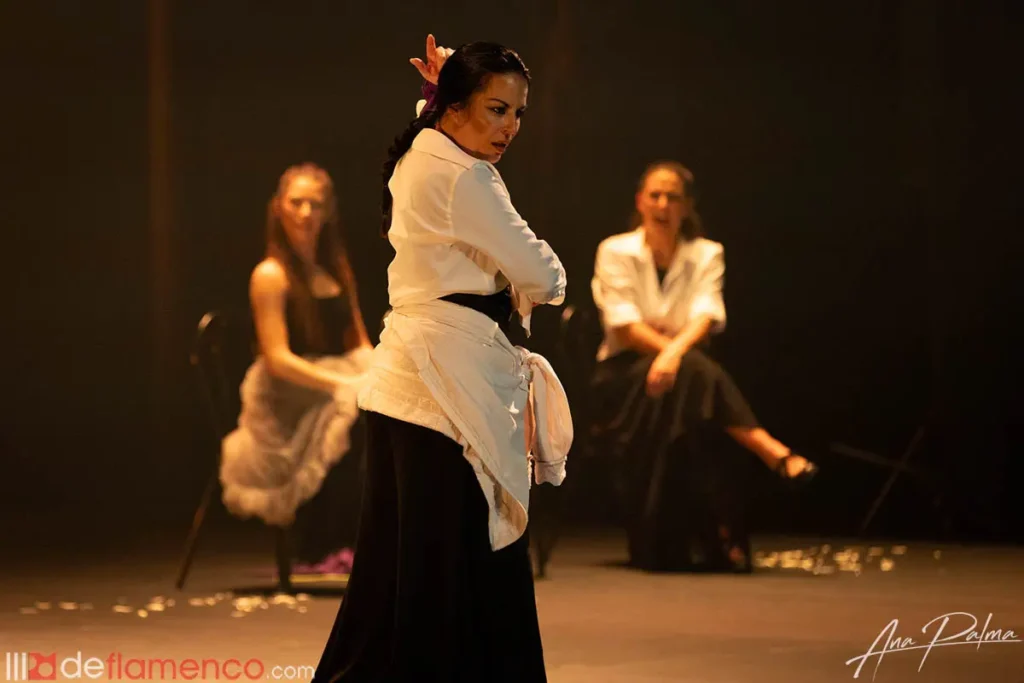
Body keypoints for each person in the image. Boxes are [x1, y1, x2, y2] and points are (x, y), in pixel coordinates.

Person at [312, 36, 570, 682]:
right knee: (452, 563)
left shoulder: (420, 152)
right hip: (449, 385)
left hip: (406, 378)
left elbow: (438, 139)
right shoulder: (466, 177)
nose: (509, 127)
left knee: (401, 566)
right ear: (455, 107)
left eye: (517, 113)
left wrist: (436, 95)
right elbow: (545, 276)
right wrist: (540, 272)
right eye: (495, 109)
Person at [590, 160, 818, 573]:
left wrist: (671, 355)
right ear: (640, 201)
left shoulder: (707, 253)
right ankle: (769, 450)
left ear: (687, 206)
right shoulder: (615, 250)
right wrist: (675, 352)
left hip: (680, 377)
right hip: (624, 377)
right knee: (695, 372)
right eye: (655, 195)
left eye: (672, 197)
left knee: (690, 382)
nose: (663, 204)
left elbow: (706, 316)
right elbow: (624, 326)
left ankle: (676, 539)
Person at [219, 163, 374, 587]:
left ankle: (378, 537)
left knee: (386, 403)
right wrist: (345, 385)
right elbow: (277, 358)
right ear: (279, 208)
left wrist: (381, 376)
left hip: (332, 379)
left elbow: (359, 343)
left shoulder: (334, 270)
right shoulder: (271, 274)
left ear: (328, 211)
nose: (306, 213)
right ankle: (325, 542)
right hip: (288, 392)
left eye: (315, 204)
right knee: (355, 410)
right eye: (296, 203)